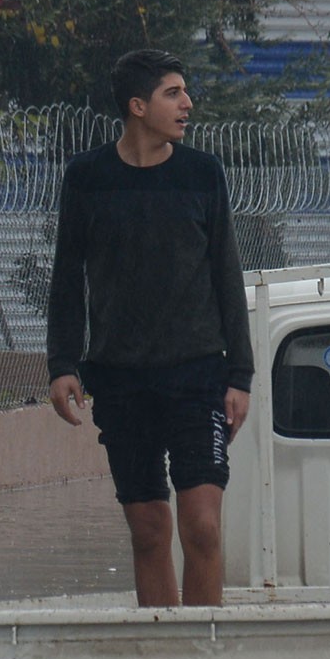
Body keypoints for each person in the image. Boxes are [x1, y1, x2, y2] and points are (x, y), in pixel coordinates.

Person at [46, 49, 253, 607]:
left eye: (186, 92)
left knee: (203, 527)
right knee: (149, 533)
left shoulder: (202, 174)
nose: (187, 105)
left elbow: (227, 277)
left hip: (198, 377)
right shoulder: (87, 179)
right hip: (120, 380)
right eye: (172, 93)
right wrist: (63, 364)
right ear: (137, 106)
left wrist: (241, 375)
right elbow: (67, 276)